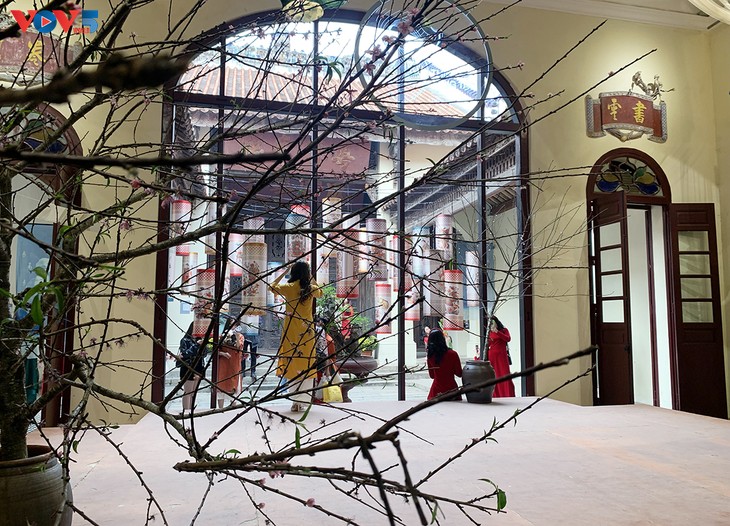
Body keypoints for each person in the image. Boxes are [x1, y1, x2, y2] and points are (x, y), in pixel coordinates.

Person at [269, 261, 323, 412]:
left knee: (292, 364)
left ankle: (294, 402)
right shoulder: (310, 288)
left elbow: (271, 286)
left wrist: (284, 272)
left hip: (291, 330)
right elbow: (320, 292)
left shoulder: (289, 287)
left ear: (293, 272)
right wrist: (311, 277)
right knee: (307, 364)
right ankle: (302, 401)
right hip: (307, 331)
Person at [178, 322, 207, 414]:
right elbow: (185, 354)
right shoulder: (185, 340)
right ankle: (186, 411)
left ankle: (191, 411)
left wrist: (203, 345)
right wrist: (196, 345)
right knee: (188, 391)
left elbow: (204, 354)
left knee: (194, 392)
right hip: (188, 367)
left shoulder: (200, 339)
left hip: (199, 367)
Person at [426, 329, 463, 401]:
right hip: (452, 391)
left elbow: (432, 376)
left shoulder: (430, 357)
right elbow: (459, 373)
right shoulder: (453, 354)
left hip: (436, 392)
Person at [488, 316, 515, 397]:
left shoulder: (504, 330)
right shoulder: (489, 332)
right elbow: (488, 344)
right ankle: (495, 394)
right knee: (494, 375)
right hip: (492, 355)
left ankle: (507, 394)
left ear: (496, 322)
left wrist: (497, 332)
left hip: (502, 355)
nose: (492, 325)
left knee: (504, 373)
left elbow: (508, 339)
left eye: (493, 323)